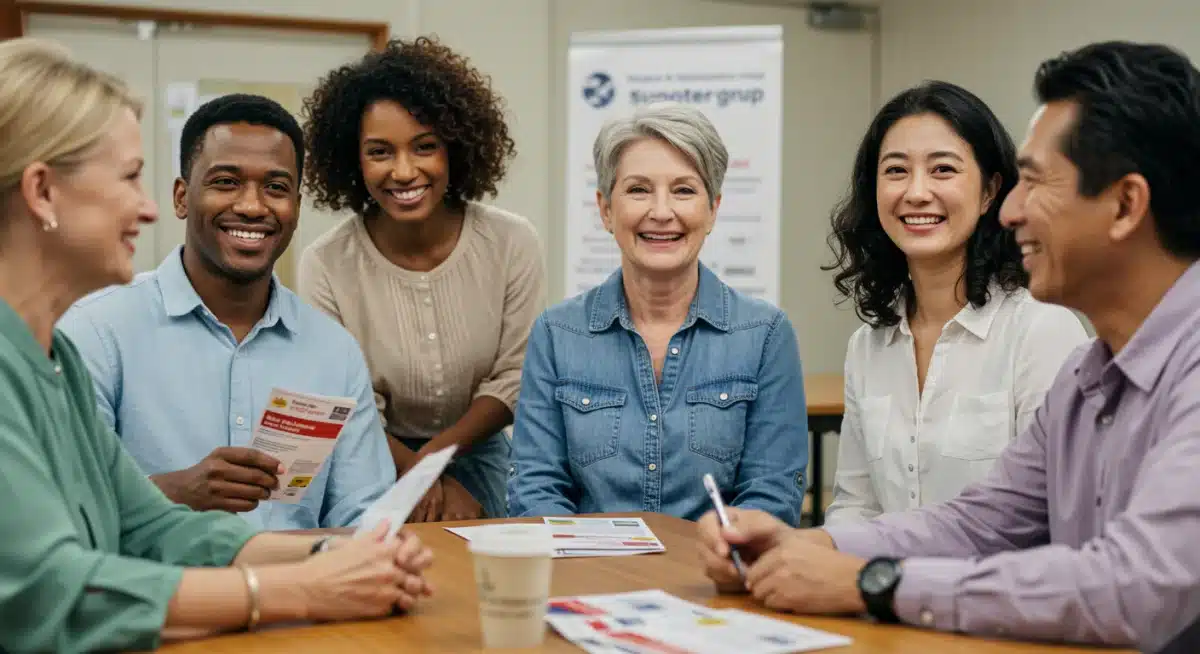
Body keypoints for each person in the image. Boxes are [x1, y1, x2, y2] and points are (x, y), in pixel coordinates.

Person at [697, 40, 1200, 650]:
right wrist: (803, 546)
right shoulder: (1088, 376)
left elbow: (1133, 586)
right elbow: (982, 521)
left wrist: (877, 582)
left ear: (1125, 205)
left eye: (1034, 182)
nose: (1012, 209)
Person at [0, 39, 432, 652]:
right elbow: (46, 593)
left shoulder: (53, 360)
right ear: (42, 192)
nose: (146, 208)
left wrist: (335, 553)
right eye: (128, 178)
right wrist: (300, 589)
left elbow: (150, 526)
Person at [57, 93, 396, 531]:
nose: (252, 206)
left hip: (299, 595)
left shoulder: (334, 353)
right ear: (182, 197)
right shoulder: (97, 331)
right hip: (154, 595)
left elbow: (364, 519)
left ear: (294, 206)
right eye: (225, 182)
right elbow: (60, 507)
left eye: (275, 188)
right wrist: (174, 494)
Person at [507, 102, 809, 525]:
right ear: (606, 209)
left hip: (714, 578)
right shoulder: (557, 333)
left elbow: (772, 491)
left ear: (713, 209)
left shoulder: (764, 334)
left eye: (684, 190)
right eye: (638, 189)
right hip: (588, 577)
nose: (662, 212)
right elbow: (536, 486)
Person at [298, 36, 544, 522]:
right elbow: (345, 403)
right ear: (353, 160)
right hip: (369, 447)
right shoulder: (325, 264)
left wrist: (432, 462)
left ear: (455, 149)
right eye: (380, 152)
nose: (404, 171)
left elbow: (516, 378)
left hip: (478, 447)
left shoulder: (512, 242)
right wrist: (412, 473)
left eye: (425, 147)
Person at [821, 81, 1088, 524]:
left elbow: (1054, 517)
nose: (916, 192)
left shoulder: (1042, 331)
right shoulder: (867, 346)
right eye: (895, 171)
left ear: (989, 192)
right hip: (882, 589)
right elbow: (856, 505)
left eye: (943, 170)